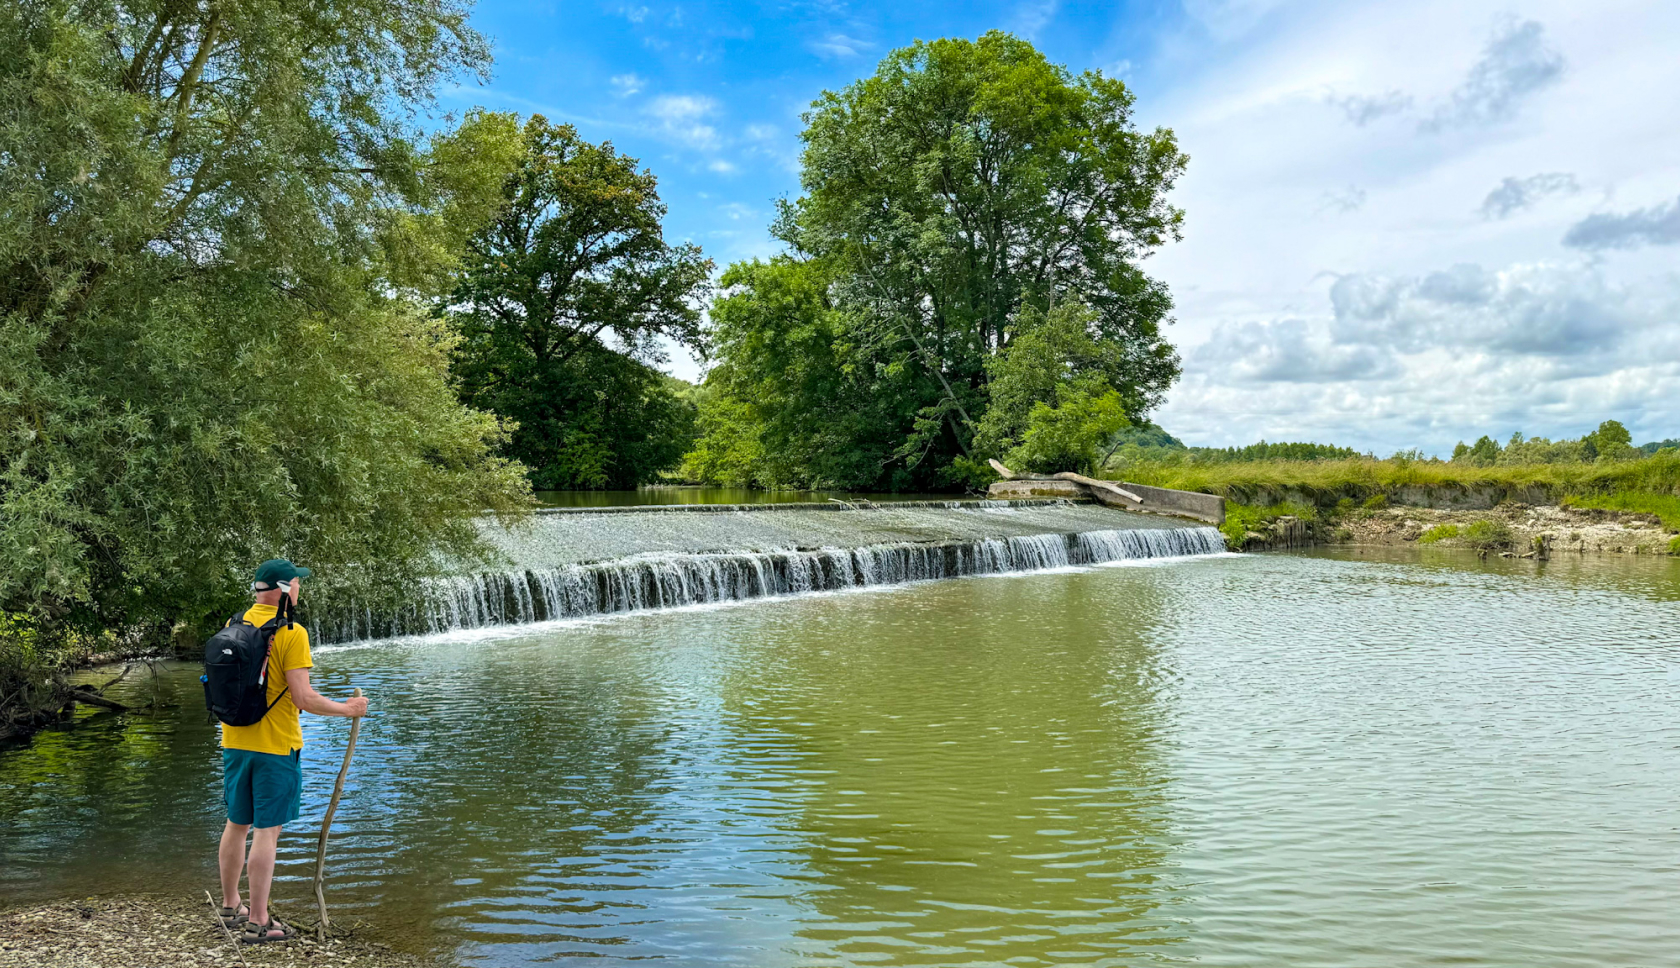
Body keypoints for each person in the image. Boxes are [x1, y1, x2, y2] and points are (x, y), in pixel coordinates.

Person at [215, 558, 368, 944]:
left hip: (234, 743)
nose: (301, 588)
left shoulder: (235, 625)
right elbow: (304, 697)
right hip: (275, 747)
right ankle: (260, 921)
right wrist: (347, 709)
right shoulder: (291, 632)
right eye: (297, 582)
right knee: (267, 832)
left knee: (236, 825)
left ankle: (232, 906)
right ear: (284, 589)